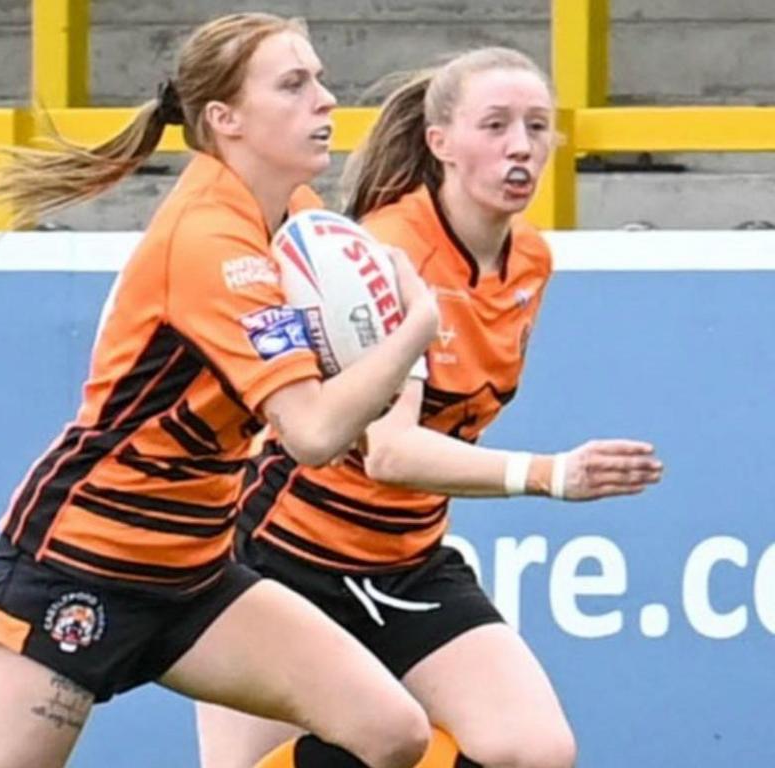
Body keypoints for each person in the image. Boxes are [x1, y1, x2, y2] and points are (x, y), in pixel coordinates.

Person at [0, 12, 444, 768]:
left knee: (393, 733)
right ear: (225, 120)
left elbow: (345, 404)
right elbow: (313, 434)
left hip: (193, 568)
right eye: (293, 84)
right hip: (83, 558)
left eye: (318, 78)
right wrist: (414, 331)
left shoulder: (302, 222)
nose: (326, 99)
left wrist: (388, 364)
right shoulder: (211, 239)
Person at [196, 47, 665, 768]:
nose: (521, 146)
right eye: (496, 125)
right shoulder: (386, 254)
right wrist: (549, 474)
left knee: (534, 751)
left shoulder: (530, 260)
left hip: (405, 560)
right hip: (283, 558)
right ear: (439, 141)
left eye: (538, 127)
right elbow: (391, 451)